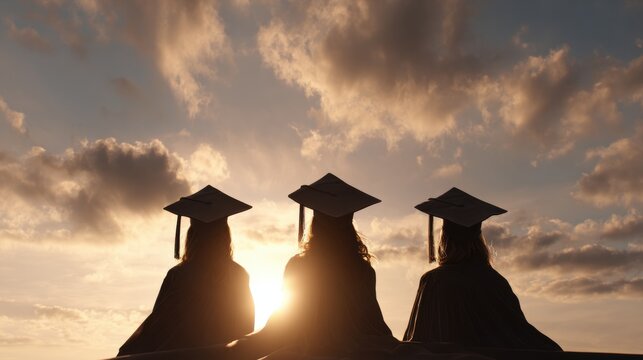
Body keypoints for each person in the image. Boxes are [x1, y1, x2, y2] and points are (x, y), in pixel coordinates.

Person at [228, 173, 399, 359]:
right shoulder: (363, 269)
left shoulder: (300, 265)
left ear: (316, 223)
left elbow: (286, 323)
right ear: (348, 224)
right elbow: (374, 325)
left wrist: (242, 344)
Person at [404, 187, 562, 351]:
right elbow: (516, 332)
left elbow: (420, 338)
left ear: (444, 238)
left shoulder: (434, 280)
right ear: (478, 237)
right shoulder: (494, 280)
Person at [117, 185, 255, 356]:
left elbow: (157, 327)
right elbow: (246, 327)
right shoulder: (239, 275)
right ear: (225, 235)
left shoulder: (179, 275)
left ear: (192, 234)